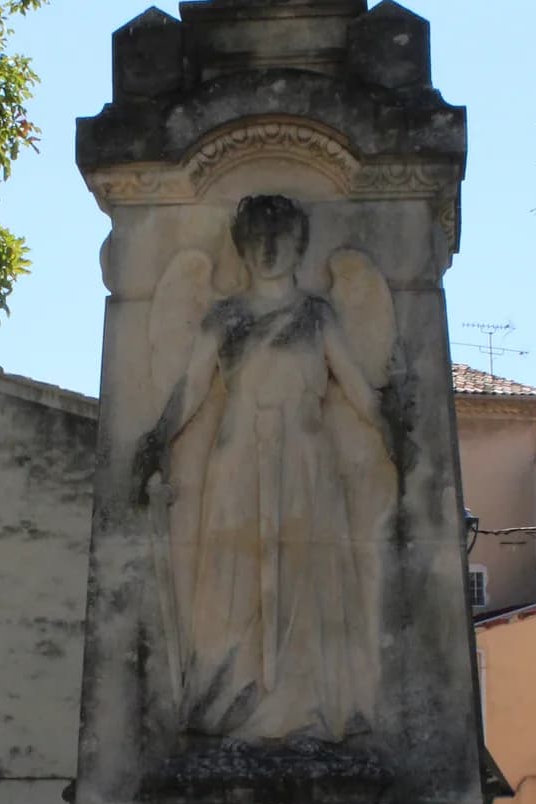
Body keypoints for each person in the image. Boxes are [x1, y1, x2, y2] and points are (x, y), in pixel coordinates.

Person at [137, 194, 391, 742]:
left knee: (307, 582)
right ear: (242, 247)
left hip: (305, 461)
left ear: (300, 245)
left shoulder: (317, 316)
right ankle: (228, 706)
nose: (270, 249)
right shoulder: (224, 317)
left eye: (281, 238)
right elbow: (192, 387)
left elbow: (356, 387)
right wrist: (158, 441)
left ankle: (308, 715)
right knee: (231, 587)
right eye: (258, 238)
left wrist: (392, 431)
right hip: (237, 464)